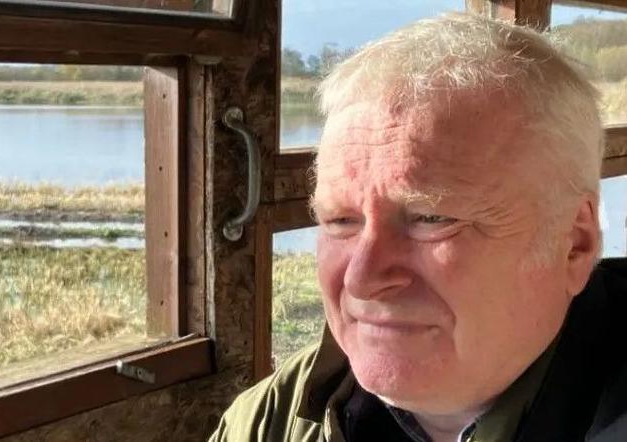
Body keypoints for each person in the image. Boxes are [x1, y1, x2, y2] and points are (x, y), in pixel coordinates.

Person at [209, 12, 627, 442]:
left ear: (573, 243)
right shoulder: (270, 420)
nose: (362, 278)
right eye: (341, 221)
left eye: (432, 218)